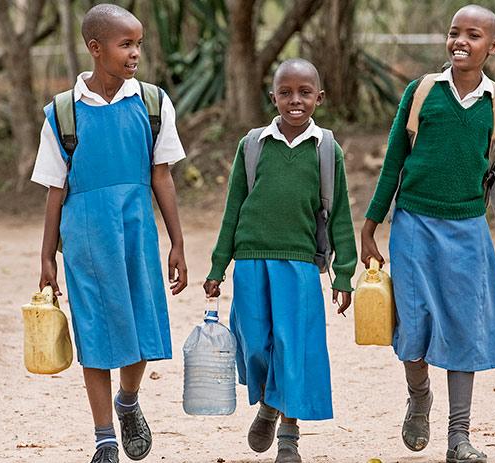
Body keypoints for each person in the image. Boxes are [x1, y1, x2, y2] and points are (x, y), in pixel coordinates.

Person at [359, 5, 495, 463]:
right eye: (454, 33)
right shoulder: (422, 93)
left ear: (493, 47)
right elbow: (394, 162)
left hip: (469, 233)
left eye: (473, 35)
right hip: (413, 226)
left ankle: (458, 436)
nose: (460, 42)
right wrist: (370, 227)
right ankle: (419, 394)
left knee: (463, 329)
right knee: (412, 326)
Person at [31, 4, 187, 462]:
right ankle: (103, 438)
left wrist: (177, 241)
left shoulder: (154, 104)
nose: (135, 52)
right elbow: (54, 191)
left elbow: (162, 176)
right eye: (125, 44)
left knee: (139, 327)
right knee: (96, 333)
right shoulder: (63, 114)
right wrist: (47, 257)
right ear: (95, 48)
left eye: (138, 43)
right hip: (85, 238)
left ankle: (129, 401)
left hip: (136, 230)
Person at [203, 58, 357, 463]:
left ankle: (288, 436)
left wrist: (344, 274)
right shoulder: (253, 145)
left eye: (305, 92)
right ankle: (268, 404)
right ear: (272, 97)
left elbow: (339, 213)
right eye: (285, 92)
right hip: (251, 263)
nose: (295, 100)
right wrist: (218, 267)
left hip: (300, 265)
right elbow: (233, 207)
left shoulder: (327, 150)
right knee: (255, 344)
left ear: (319, 98)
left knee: (295, 348)